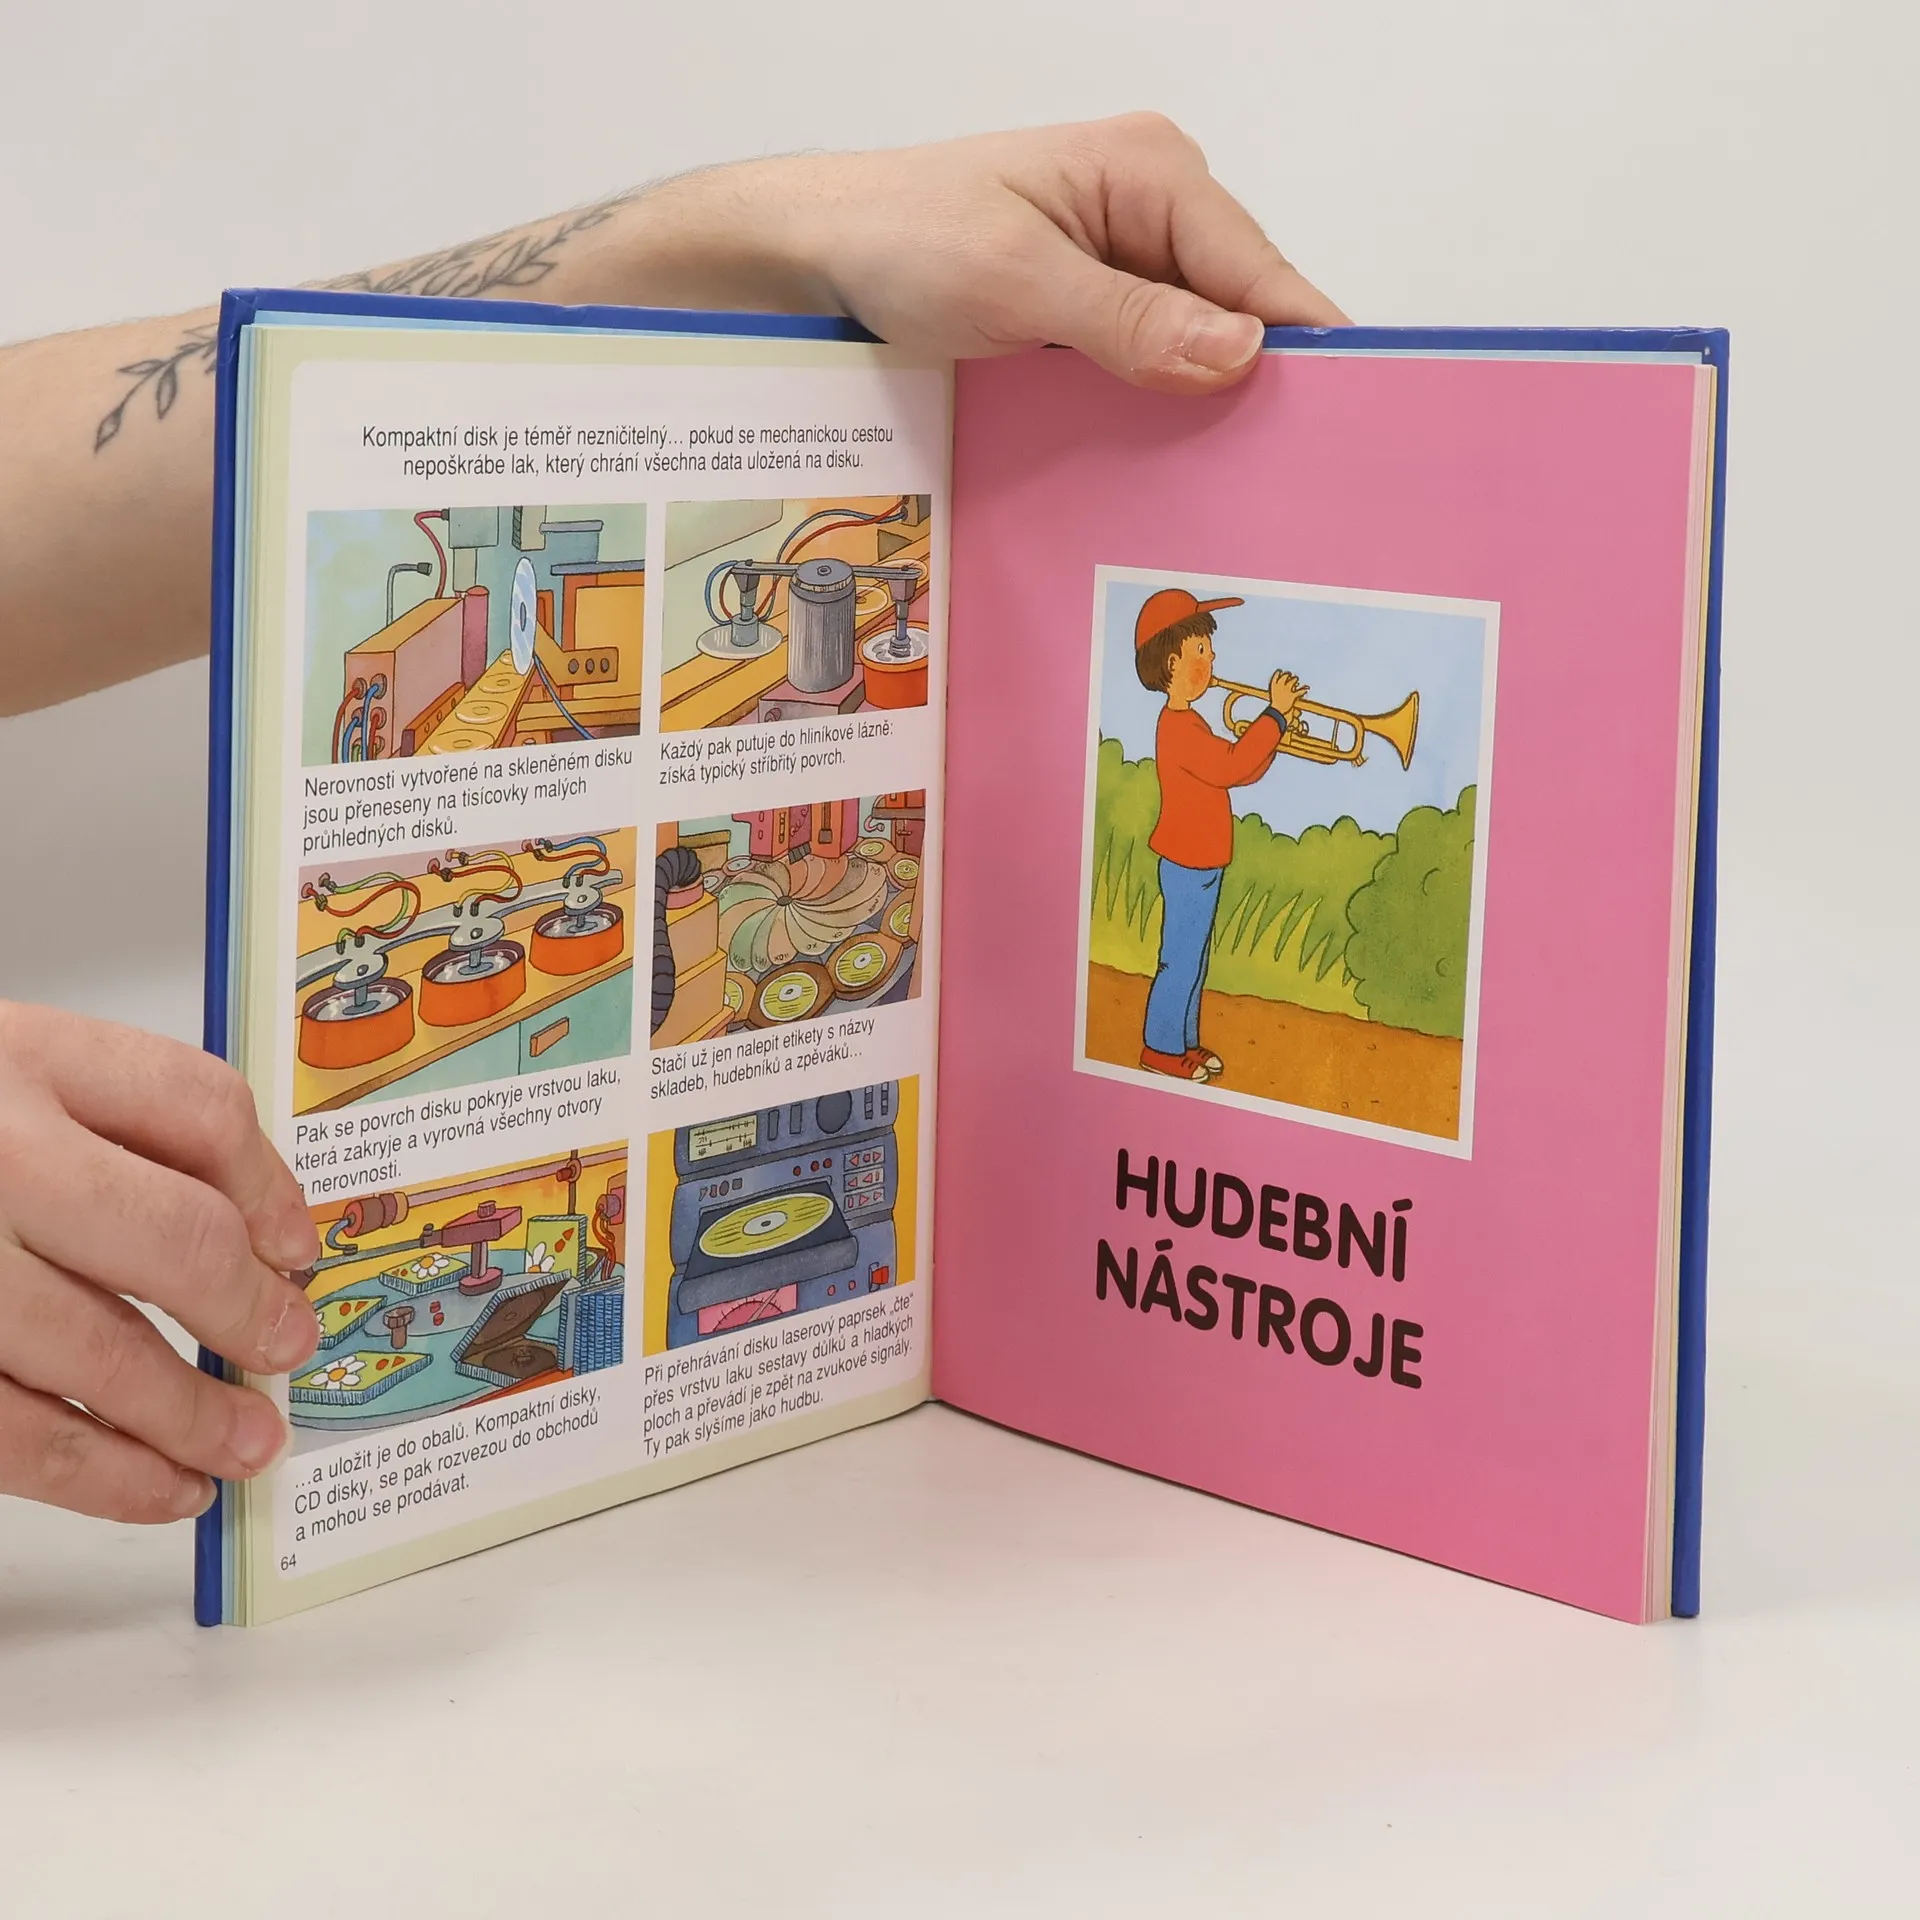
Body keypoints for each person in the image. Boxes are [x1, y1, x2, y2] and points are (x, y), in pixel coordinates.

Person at [0, 114, 1345, 1526]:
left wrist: (749, 234)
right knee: (1176, 956)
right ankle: (1170, 1039)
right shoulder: (1186, 724)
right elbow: (1220, 769)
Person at [1131, 589, 1305, 1081]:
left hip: (1203, 860)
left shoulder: (1192, 721)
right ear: (1172, 663)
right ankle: (1159, 1049)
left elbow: (1240, 771)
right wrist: (1273, 717)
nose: (1212, 659)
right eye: (1201, 650)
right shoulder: (1178, 728)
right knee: (1180, 961)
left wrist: (1275, 735)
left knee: (1195, 960)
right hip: (1187, 861)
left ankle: (1183, 1043)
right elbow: (1231, 765)